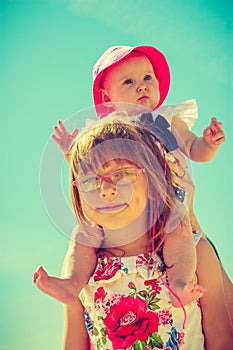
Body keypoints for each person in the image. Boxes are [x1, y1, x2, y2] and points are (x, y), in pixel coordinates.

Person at [34, 45, 232, 320]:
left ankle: (178, 284)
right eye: (129, 81)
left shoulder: (167, 118)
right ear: (106, 97)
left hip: (167, 204)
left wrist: (208, 143)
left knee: (180, 236)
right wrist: (71, 152)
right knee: (84, 235)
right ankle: (72, 283)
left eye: (148, 78)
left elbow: (194, 149)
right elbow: (95, 173)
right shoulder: (107, 130)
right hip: (127, 217)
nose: (142, 86)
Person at [61, 116, 232, 349]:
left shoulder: (196, 251)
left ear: (153, 183)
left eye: (122, 174)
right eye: (90, 179)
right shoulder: (81, 268)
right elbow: (74, 344)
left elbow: (221, 334)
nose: (106, 190)